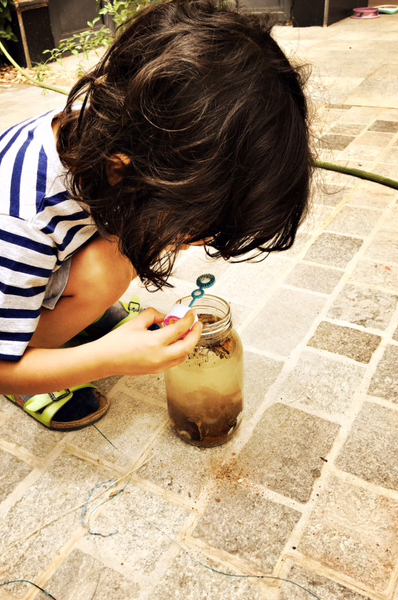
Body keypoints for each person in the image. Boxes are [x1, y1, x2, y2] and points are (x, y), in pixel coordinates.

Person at [0, 0, 313, 429]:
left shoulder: (99, 137)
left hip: (35, 265)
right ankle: (39, 368)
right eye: (196, 224)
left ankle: (72, 318)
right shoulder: (23, 221)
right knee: (105, 271)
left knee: (120, 254)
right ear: (126, 168)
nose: (194, 238)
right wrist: (104, 360)